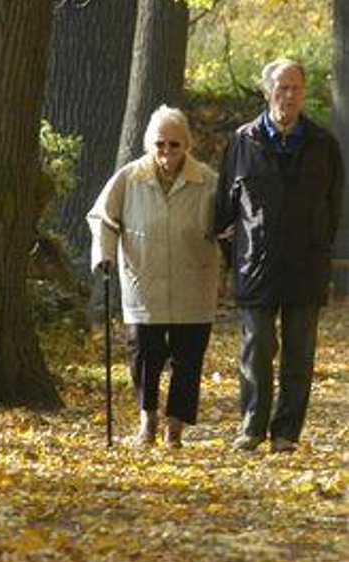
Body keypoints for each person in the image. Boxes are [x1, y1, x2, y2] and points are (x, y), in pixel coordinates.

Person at [214, 58, 345, 453]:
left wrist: (320, 246)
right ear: (267, 91)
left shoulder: (324, 145)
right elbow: (224, 208)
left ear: (304, 93)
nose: (289, 95)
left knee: (299, 354)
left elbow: (334, 206)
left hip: (306, 264)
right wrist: (233, 258)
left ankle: (286, 432)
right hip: (256, 265)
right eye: (282, 87)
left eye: (296, 88)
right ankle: (252, 426)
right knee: (256, 348)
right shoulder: (243, 141)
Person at [87, 105, 220, 448]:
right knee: (144, 355)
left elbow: (230, 222)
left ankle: (174, 429)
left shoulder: (207, 181)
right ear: (150, 144)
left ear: (186, 145)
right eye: (160, 144)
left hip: (194, 281)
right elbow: (103, 217)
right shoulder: (130, 177)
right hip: (143, 282)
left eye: (175, 144)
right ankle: (148, 422)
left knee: (188, 359)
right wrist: (103, 254)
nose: (167, 151)